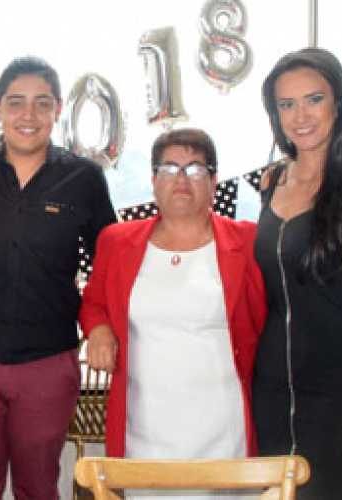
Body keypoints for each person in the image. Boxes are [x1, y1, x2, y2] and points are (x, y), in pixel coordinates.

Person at [0, 56, 117, 500]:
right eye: (17, 103)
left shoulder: (84, 178)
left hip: (48, 364)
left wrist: (100, 323)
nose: (29, 115)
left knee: (39, 486)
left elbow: (111, 261)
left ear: (58, 109)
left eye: (42, 104)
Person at [81, 128, 267, 499]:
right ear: (153, 181)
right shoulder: (116, 242)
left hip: (223, 432)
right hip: (145, 433)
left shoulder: (249, 242)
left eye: (196, 169)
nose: (181, 179)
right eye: (169, 168)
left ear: (214, 182)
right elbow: (94, 301)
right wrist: (99, 329)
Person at [253, 47, 342, 500]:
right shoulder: (273, 181)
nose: (300, 116)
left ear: (338, 103)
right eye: (286, 104)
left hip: (338, 391)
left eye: (314, 99)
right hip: (273, 385)